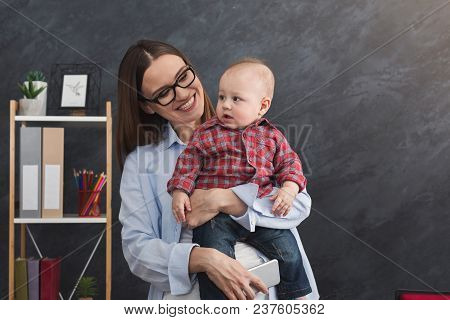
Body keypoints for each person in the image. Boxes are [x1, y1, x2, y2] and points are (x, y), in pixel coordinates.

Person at [117, 39, 319, 300]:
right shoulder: (143, 162)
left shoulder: (259, 132)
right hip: (194, 297)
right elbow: (137, 249)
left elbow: (300, 205)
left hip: (272, 294)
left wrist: (227, 200)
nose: (181, 93)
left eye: (183, 77)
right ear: (147, 105)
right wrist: (205, 259)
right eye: (164, 92)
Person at [167, 58, 311, 299]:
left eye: (236, 99)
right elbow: (188, 163)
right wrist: (180, 191)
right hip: (217, 217)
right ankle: (218, 303)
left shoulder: (272, 136)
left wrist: (289, 188)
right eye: (222, 97)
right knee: (215, 254)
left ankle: (297, 297)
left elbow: (290, 164)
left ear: (262, 106)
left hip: (258, 215)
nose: (225, 105)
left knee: (288, 250)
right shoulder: (207, 133)